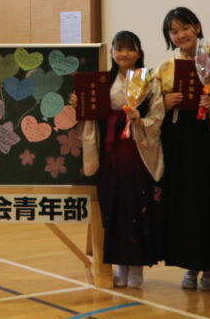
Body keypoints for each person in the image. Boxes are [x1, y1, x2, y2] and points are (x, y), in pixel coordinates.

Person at [69, 31, 165, 288]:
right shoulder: (104, 81)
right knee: (115, 203)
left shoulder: (149, 79)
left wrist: (140, 119)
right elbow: (93, 115)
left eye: (130, 49)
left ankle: (137, 267)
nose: (124, 54)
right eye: (118, 48)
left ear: (139, 52)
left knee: (137, 202)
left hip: (138, 148)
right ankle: (120, 265)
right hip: (111, 150)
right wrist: (81, 104)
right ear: (111, 52)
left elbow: (158, 114)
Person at [157, 7, 210, 292]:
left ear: (197, 27)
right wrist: (164, 104)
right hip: (178, 141)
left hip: (208, 141)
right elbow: (150, 106)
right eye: (174, 31)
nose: (180, 35)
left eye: (185, 28)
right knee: (184, 203)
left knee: (207, 202)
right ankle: (190, 265)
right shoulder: (165, 67)